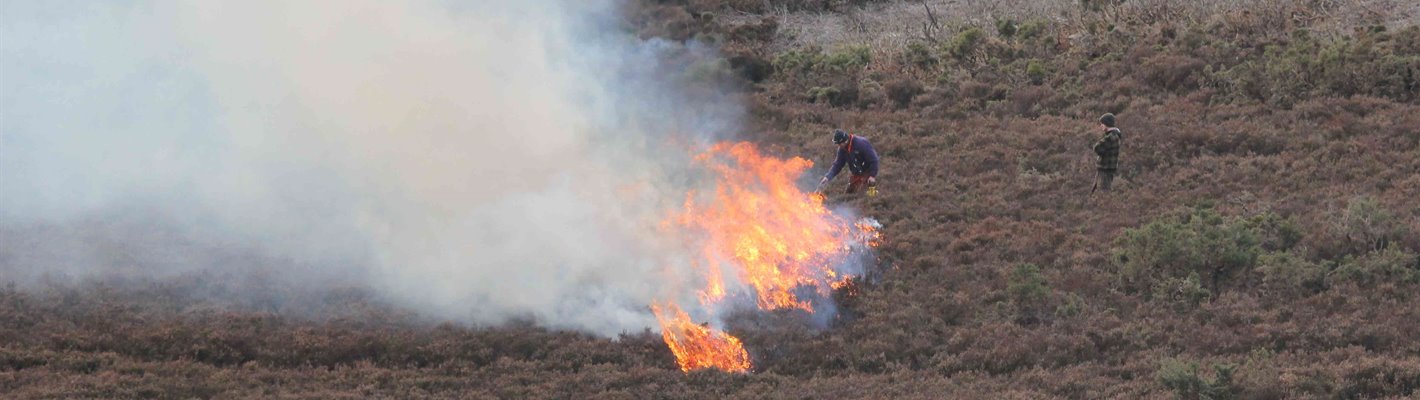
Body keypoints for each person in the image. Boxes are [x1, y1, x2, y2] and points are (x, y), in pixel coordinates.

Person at [818, 129, 879, 195]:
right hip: (856, 174)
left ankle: (873, 199)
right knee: (849, 195)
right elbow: (838, 165)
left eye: (839, 143)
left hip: (868, 171)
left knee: (864, 195)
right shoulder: (842, 150)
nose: (838, 145)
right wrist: (827, 177)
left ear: (844, 141)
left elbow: (874, 160)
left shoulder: (861, 144)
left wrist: (872, 175)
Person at [1092, 113, 1123, 192]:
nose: (1101, 125)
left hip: (1105, 169)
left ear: (1107, 124)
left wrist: (1101, 152)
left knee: (1103, 192)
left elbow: (1097, 148)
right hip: (1105, 169)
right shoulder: (1114, 135)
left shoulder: (1111, 137)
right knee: (1098, 192)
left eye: (1102, 123)